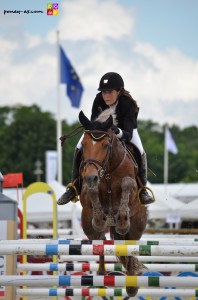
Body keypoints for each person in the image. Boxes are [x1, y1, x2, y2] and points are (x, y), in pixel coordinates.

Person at [57, 72, 155, 206]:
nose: (106, 96)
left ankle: (143, 189)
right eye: (103, 92)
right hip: (101, 130)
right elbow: (94, 122)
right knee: (79, 147)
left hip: (125, 131)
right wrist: (96, 129)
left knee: (140, 150)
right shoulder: (98, 99)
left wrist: (117, 131)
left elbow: (128, 134)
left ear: (118, 91)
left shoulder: (128, 103)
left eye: (109, 92)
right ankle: (74, 187)